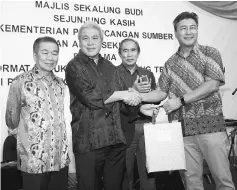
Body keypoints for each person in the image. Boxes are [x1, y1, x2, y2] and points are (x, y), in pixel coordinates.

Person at [130, 12, 235, 190]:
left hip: (210, 128)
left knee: (223, 181)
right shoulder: (170, 63)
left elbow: (212, 84)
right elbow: (161, 92)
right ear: (176, 33)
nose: (188, 32)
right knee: (192, 183)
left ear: (197, 30)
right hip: (183, 131)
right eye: (183, 28)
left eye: (192, 27)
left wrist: (180, 100)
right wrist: (136, 95)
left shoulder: (210, 53)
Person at [65, 21, 159, 190]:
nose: (90, 42)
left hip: (115, 140)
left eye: (95, 38)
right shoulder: (74, 67)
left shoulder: (109, 66)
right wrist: (125, 94)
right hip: (89, 142)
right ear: (79, 41)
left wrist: (137, 105)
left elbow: (120, 105)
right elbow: (91, 99)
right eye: (85, 38)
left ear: (102, 41)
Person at [5, 36, 70, 190]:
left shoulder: (61, 84)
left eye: (54, 53)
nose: (50, 58)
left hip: (59, 159)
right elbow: (11, 121)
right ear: (35, 55)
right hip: (33, 161)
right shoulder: (20, 82)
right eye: (45, 53)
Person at [117, 38, 157, 190]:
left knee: (148, 169)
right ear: (120, 54)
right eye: (125, 51)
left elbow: (152, 98)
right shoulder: (114, 74)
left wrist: (154, 108)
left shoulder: (147, 73)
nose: (129, 54)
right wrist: (133, 90)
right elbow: (114, 103)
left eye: (133, 50)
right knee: (125, 171)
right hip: (125, 127)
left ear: (138, 53)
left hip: (146, 126)